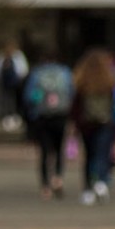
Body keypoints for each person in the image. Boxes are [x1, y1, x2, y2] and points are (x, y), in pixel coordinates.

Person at [71, 48, 115, 205]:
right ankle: (101, 182)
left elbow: (75, 107)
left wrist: (75, 125)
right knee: (102, 153)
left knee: (89, 156)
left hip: (86, 123)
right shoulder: (109, 81)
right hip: (105, 123)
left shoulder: (81, 81)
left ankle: (88, 188)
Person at [22, 48, 74, 200]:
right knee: (59, 149)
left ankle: (45, 186)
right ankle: (57, 177)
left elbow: (30, 96)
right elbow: (71, 92)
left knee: (45, 151)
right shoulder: (65, 72)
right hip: (60, 115)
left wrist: (35, 109)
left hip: (43, 116)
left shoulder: (37, 73)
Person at [0, 39, 29, 132]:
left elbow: (23, 70)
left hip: (17, 84)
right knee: (6, 102)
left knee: (16, 102)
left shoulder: (18, 56)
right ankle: (6, 118)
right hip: (4, 85)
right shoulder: (1, 57)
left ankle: (16, 118)